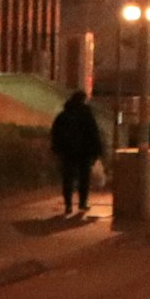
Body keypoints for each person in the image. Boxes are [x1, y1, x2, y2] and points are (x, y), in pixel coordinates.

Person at [50, 88, 106, 219]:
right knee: (84, 178)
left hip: (67, 152)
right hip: (84, 152)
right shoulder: (86, 115)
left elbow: (56, 134)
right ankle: (82, 203)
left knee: (68, 178)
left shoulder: (63, 115)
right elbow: (93, 133)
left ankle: (68, 204)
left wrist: (57, 150)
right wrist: (97, 151)